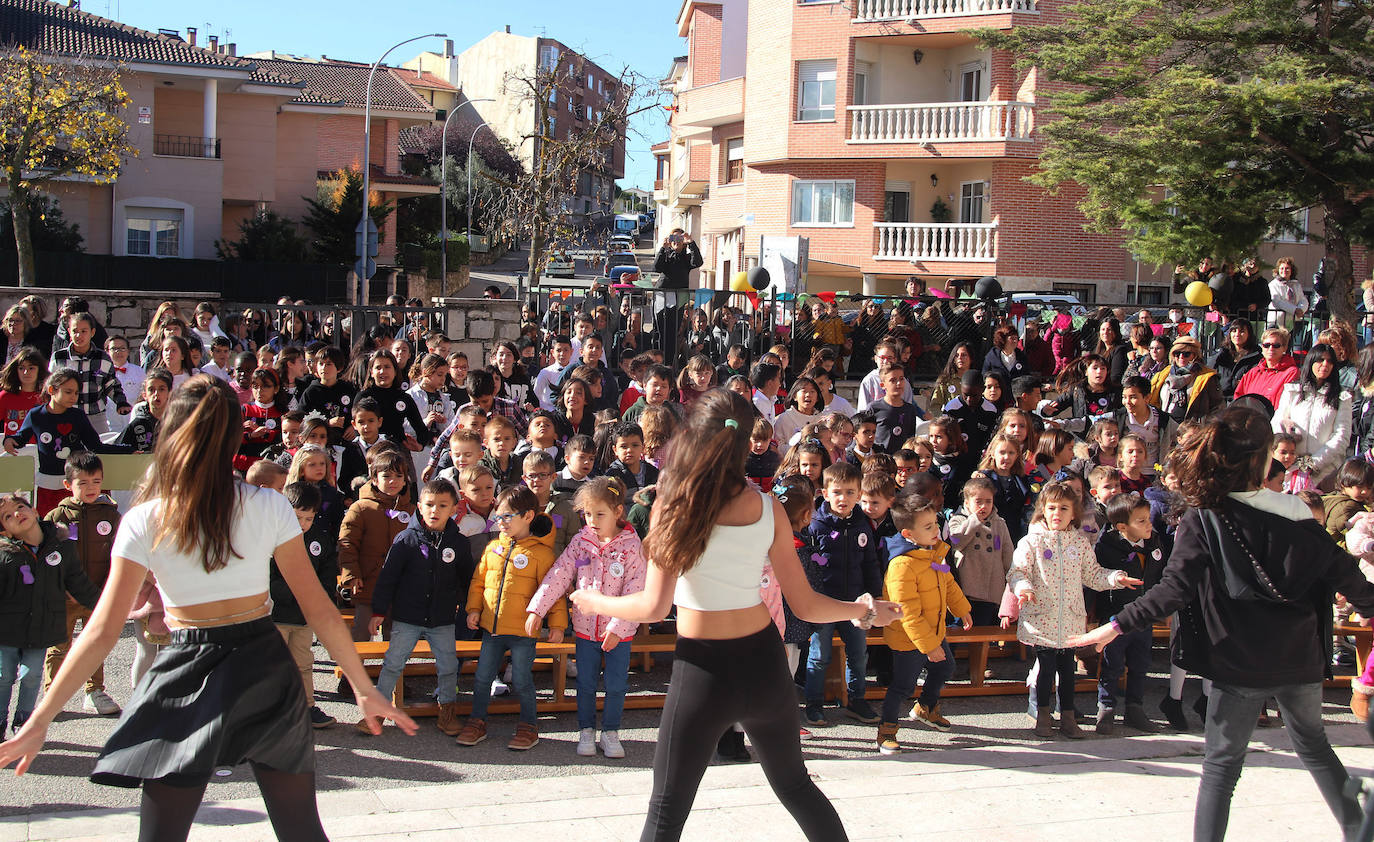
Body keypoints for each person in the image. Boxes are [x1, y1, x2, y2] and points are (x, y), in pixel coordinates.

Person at [0, 375, 415, 841]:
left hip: (187, 662)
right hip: (263, 660)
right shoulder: (269, 506)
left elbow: (99, 632)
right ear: (235, 436)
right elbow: (318, 607)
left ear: (172, 431)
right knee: (300, 829)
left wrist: (39, 720)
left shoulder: (145, 517)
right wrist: (362, 686)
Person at [568, 388, 900, 841]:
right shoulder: (769, 507)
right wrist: (864, 610)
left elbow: (653, 606)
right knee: (796, 787)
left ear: (692, 437)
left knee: (666, 811)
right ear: (748, 443)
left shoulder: (674, 505)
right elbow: (804, 603)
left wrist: (594, 601)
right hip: (763, 663)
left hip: (703, 669)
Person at [1070, 405, 1374, 842]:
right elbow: (1349, 577)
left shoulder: (1204, 516)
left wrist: (1113, 626)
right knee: (1314, 746)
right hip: (1299, 656)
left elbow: (1172, 590)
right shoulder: (1302, 514)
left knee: (1221, 766)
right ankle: (1357, 829)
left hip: (1239, 660)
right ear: (1264, 459)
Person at [1008, 480, 1142, 739]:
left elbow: (1092, 574)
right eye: (1052, 508)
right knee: (1046, 669)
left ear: (1074, 513)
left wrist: (1115, 578)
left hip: (1069, 618)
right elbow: (1018, 572)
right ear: (1043, 510)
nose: (1057, 513)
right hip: (1041, 618)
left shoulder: (1079, 544)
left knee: (1067, 670)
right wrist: (1023, 588)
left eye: (1064, 508)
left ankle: (1068, 717)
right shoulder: (1031, 542)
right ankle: (1043, 716)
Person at [527, 476, 645, 759]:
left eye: (599, 514)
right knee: (586, 683)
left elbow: (637, 587)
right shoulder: (582, 541)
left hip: (619, 631)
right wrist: (537, 608)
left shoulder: (631, 546)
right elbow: (560, 572)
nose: (592, 520)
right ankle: (586, 729)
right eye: (588, 514)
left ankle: (611, 731)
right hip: (585, 627)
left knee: (616, 684)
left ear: (618, 512)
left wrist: (618, 626)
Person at [365, 479, 474, 738]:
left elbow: (468, 580)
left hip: (443, 619)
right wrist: (379, 612)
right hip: (407, 617)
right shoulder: (405, 539)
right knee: (393, 663)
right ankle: (377, 712)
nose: (435, 510)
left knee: (448, 666)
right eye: (429, 505)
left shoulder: (458, 543)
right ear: (419, 507)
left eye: (442, 505)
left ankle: (447, 710)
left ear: (454, 509)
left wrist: (472, 608)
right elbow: (387, 578)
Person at [457, 485, 562, 751]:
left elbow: (552, 592)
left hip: (522, 633)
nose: (500, 522)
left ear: (528, 517)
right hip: (491, 629)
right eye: (498, 516)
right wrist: (473, 610)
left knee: (523, 680)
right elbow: (478, 582)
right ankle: (477, 721)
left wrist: (557, 624)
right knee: (482, 678)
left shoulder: (541, 554)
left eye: (507, 517)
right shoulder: (493, 548)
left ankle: (529, 726)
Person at [1272, 343, 1352, 489]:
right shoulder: (1292, 390)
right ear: (1311, 361)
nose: (1325, 364)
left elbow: (1342, 436)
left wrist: (1313, 463)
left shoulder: (1342, 397)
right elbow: (1277, 422)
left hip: (1325, 472)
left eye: (1330, 361)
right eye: (1320, 360)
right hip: (1289, 467)